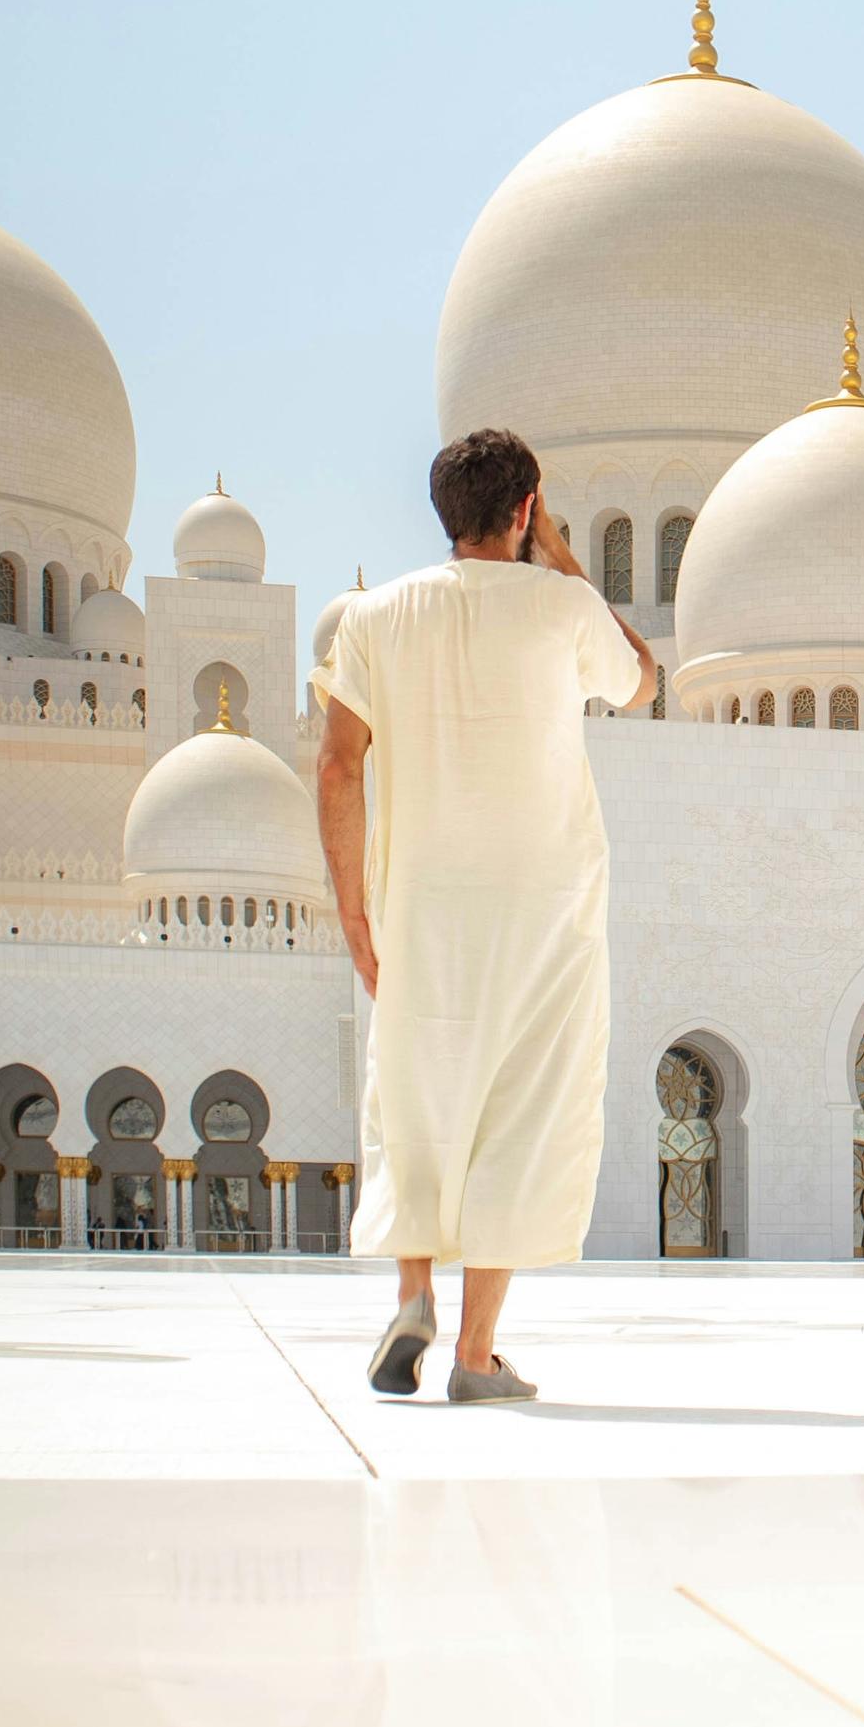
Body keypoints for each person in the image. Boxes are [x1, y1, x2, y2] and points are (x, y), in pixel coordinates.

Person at [314, 426, 655, 1402]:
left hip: (418, 903)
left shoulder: (374, 618)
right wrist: (566, 562)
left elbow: (339, 762)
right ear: (524, 509)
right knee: (524, 1108)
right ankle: (474, 1353)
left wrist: (353, 911)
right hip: (546, 906)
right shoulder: (562, 609)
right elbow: (642, 679)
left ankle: (413, 1291)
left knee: (417, 1101)